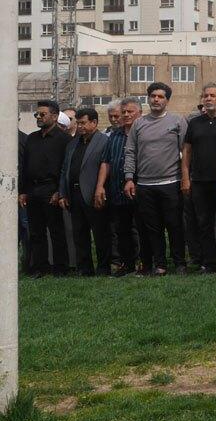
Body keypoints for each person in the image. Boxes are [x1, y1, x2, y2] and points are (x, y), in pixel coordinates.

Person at [124, 82, 189, 275]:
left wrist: (186, 178)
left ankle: (180, 263)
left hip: (171, 182)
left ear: (167, 100)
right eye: (153, 96)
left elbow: (186, 151)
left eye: (160, 97)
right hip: (144, 185)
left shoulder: (178, 121)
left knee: (175, 226)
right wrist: (129, 178)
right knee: (153, 228)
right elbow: (130, 152)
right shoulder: (139, 124)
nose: (156, 100)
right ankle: (160, 265)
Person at [182, 83, 216, 273]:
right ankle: (209, 263)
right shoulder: (195, 122)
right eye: (205, 96)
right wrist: (185, 178)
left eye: (212, 95)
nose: (208, 98)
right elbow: (187, 151)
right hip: (199, 181)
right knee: (204, 224)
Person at [21, 100, 71, 277]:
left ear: (55, 116)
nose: (39, 117)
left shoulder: (64, 139)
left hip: (52, 189)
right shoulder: (32, 138)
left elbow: (66, 168)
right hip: (33, 190)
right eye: (37, 114)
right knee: (36, 232)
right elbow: (25, 166)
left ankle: (61, 268)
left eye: (43, 114)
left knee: (56, 231)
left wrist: (60, 191)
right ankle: (40, 267)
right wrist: (23, 191)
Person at [59, 106, 110, 276]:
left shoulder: (104, 141)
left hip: (94, 194)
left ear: (94, 122)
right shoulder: (72, 143)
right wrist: (63, 193)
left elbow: (106, 167)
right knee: (79, 234)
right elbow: (65, 169)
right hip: (74, 194)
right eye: (78, 123)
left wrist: (100, 189)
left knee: (101, 233)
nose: (80, 126)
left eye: (83, 123)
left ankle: (103, 268)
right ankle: (84, 268)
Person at [103, 99, 139, 276]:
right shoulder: (114, 135)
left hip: (138, 189)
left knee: (139, 228)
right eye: (123, 112)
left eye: (129, 112)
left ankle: (142, 262)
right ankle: (126, 263)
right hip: (117, 189)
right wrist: (100, 186)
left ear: (139, 113)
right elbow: (106, 162)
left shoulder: (142, 133)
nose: (125, 115)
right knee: (121, 230)